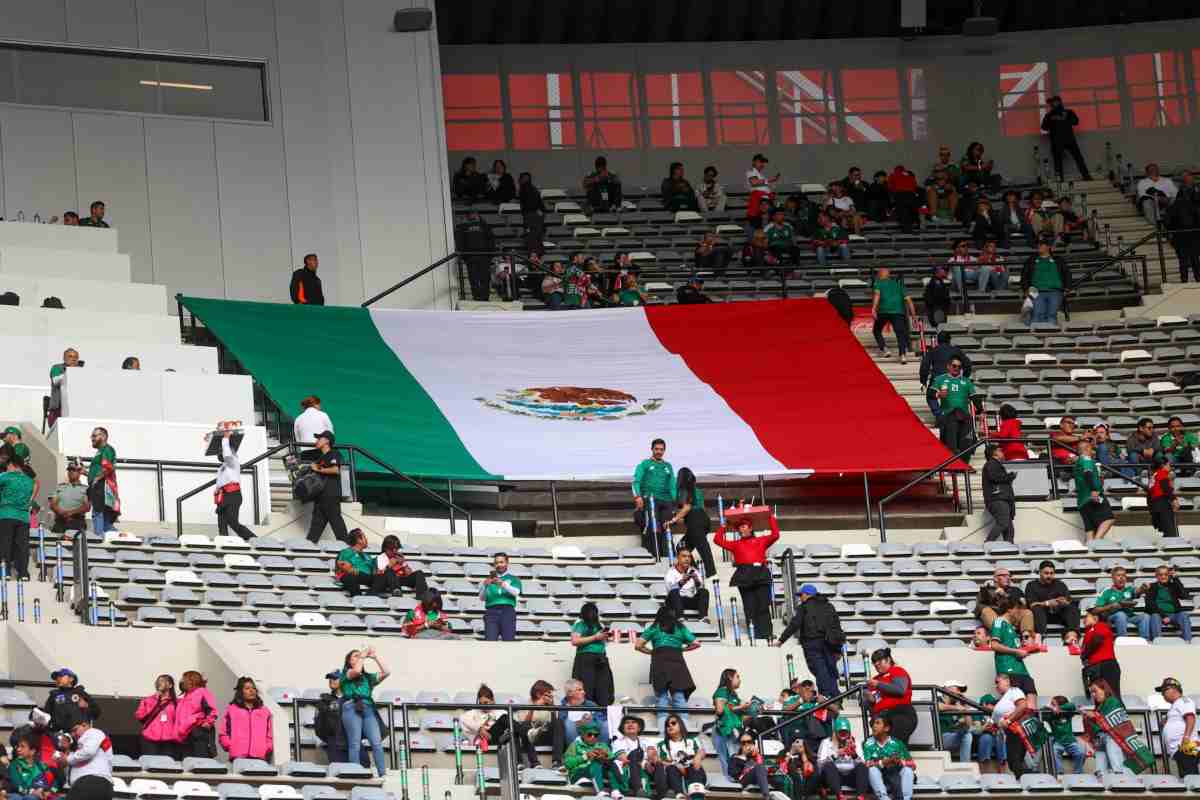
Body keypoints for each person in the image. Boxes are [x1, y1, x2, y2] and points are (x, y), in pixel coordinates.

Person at [713, 509, 780, 641]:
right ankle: (753, 633)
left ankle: (767, 633)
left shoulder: (761, 540)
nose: (741, 529)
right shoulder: (735, 544)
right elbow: (717, 540)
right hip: (744, 574)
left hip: (761, 573)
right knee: (749, 606)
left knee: (763, 605)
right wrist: (724, 526)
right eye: (739, 527)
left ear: (750, 528)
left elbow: (775, 535)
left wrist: (770, 518)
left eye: (744, 526)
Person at [774, 584, 844, 701]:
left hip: (812, 643)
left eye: (801, 595)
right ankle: (836, 697)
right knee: (830, 670)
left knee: (820, 670)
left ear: (807, 595)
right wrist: (838, 648)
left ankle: (826, 697)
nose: (800, 598)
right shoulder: (829, 606)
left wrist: (781, 640)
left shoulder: (804, 607)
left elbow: (795, 624)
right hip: (830, 643)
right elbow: (836, 627)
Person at [635, 606, 699, 730]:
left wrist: (651, 652)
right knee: (679, 697)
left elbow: (638, 645)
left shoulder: (654, 627)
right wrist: (682, 649)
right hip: (677, 663)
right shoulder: (680, 627)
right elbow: (696, 643)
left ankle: (661, 731)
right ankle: (684, 731)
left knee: (662, 698)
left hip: (659, 663)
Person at [1083, 678, 1154, 775]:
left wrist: (1094, 716)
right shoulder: (1099, 707)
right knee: (1100, 771)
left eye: (1095, 691)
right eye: (1091, 692)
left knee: (1117, 767)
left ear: (1104, 689)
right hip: (1100, 740)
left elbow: (1115, 725)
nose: (1093, 695)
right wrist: (1089, 719)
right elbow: (1098, 726)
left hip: (1113, 738)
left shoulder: (1113, 701)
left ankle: (1121, 777)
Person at [338, 647, 390, 776]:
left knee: (376, 742)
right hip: (351, 707)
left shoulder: (367, 677)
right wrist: (363, 655)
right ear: (349, 661)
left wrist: (375, 657)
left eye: (359, 655)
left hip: (368, 708)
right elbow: (356, 671)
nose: (359, 656)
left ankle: (382, 774)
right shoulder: (346, 673)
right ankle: (356, 773)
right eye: (355, 656)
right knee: (355, 743)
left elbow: (387, 672)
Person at [989, 595, 1039, 714]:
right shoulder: (999, 622)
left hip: (1021, 669)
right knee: (1015, 706)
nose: (1020, 613)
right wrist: (1016, 651)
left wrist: (1029, 649)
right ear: (1010, 609)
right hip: (1008, 669)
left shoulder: (1012, 627)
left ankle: (1031, 724)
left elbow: (1015, 649)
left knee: (1031, 705)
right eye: (1018, 610)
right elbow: (994, 645)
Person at [991, 673, 1041, 778]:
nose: (996, 686)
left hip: (1017, 730)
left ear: (1007, 681)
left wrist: (1008, 721)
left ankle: (1032, 779)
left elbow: (1022, 706)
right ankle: (1028, 779)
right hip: (1010, 732)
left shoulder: (1014, 691)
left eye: (997, 682)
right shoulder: (1004, 697)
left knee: (1014, 761)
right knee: (1013, 761)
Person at [632, 439, 676, 557]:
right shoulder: (645, 464)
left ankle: (667, 557)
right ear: (652, 449)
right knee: (653, 527)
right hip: (650, 499)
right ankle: (653, 556)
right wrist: (637, 497)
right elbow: (636, 481)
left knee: (667, 527)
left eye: (661, 449)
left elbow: (673, 485)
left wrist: (675, 502)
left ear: (664, 451)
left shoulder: (668, 466)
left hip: (666, 501)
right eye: (656, 449)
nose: (659, 452)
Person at [866, 649, 917, 746]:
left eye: (879, 661)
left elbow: (900, 689)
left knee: (892, 745)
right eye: (874, 662)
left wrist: (878, 684)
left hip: (900, 713)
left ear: (888, 659)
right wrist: (869, 700)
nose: (876, 664)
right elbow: (870, 703)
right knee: (870, 745)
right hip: (880, 717)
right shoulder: (875, 679)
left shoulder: (897, 671)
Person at [305, 431, 348, 544]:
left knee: (338, 526)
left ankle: (347, 549)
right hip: (319, 497)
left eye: (319, 439)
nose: (317, 441)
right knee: (314, 530)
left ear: (327, 441)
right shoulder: (320, 458)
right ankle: (308, 548)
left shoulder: (334, 453)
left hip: (330, 495)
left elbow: (336, 470)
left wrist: (318, 469)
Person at [564, 719, 626, 797]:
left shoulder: (602, 746)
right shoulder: (575, 745)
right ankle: (600, 791)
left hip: (599, 774)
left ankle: (615, 791)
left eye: (596, 735)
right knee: (595, 763)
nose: (593, 737)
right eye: (589, 734)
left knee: (610, 764)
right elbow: (567, 764)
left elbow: (612, 759)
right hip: (579, 774)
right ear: (583, 735)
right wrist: (585, 756)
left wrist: (605, 756)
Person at [571, 602, 615, 709]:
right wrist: (595, 637)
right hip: (585, 658)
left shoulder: (598, 625)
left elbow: (601, 640)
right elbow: (575, 641)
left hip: (601, 658)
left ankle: (602, 712)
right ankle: (587, 711)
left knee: (603, 688)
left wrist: (605, 637)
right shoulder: (580, 624)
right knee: (587, 688)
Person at [1024, 561, 1080, 645]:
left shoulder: (1060, 584)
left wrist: (1063, 602)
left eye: (1051, 573)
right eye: (1046, 573)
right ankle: (1039, 637)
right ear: (1040, 572)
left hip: (1058, 614)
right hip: (1040, 616)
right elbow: (1032, 605)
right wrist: (1047, 603)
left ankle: (1072, 637)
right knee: (1037, 609)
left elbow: (1068, 601)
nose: (1049, 576)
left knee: (1072, 608)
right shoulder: (1031, 585)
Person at [652, 714, 706, 800]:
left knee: (694, 767)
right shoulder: (662, 745)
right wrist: (677, 765)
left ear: (680, 725)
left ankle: (697, 796)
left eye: (673, 723)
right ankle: (680, 795)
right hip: (674, 771)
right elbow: (661, 761)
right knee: (671, 769)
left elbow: (702, 752)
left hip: (693, 769)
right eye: (667, 725)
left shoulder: (692, 740)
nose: (670, 726)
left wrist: (698, 757)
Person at [211, 430, 253, 541]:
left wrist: (225, 439)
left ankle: (253, 539)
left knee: (232, 521)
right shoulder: (222, 468)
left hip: (233, 494)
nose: (219, 453)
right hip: (222, 497)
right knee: (222, 523)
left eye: (221, 451)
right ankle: (224, 543)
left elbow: (227, 455)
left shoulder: (233, 462)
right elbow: (220, 482)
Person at [0, 447, 35, 580]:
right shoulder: (29, 481)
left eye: (7, 465)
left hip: (6, 514)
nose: (6, 468)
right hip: (23, 517)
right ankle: (23, 573)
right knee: (22, 546)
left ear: (13, 464)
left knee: (5, 543)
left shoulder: (5, 476)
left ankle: (5, 571)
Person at [57, 717, 112, 800]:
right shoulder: (79, 751)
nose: (73, 734)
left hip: (91, 783)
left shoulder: (93, 732)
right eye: (71, 732)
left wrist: (67, 759)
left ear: (85, 725)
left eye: (75, 730)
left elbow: (88, 751)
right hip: (93, 784)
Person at [813, 716, 868, 799]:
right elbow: (820, 766)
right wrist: (835, 755)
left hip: (850, 777)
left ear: (849, 732)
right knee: (828, 765)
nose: (843, 734)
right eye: (840, 732)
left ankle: (860, 797)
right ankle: (840, 796)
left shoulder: (856, 742)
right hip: (832, 778)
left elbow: (864, 764)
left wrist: (854, 755)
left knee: (862, 766)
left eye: (845, 732)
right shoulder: (826, 742)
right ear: (835, 732)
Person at [711, 668, 753, 777]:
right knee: (727, 760)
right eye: (737, 677)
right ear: (730, 677)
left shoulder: (734, 695)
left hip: (735, 730)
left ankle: (736, 779)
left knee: (735, 759)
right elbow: (720, 710)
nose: (740, 680)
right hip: (723, 731)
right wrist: (741, 707)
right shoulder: (722, 691)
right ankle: (730, 781)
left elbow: (739, 717)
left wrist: (754, 710)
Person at [919, 331, 972, 417]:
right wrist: (964, 377)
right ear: (949, 340)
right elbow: (967, 365)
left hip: (937, 379)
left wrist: (923, 381)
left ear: (937, 341)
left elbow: (924, 366)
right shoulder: (956, 350)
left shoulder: (932, 351)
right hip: (954, 379)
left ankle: (939, 414)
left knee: (931, 396)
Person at [218, 677, 272, 761]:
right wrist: (230, 745)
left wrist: (266, 747)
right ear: (240, 691)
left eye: (253, 688)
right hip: (238, 756)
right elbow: (223, 732)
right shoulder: (232, 710)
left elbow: (269, 733)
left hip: (259, 757)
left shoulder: (264, 711)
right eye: (247, 688)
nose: (251, 690)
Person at [870, 266, 916, 364]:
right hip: (898, 312)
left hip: (883, 311)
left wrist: (873, 308)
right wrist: (914, 316)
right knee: (900, 334)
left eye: (879, 273)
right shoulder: (898, 284)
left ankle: (885, 349)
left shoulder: (878, 283)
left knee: (876, 330)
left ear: (881, 274)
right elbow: (909, 301)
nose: (878, 275)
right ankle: (902, 355)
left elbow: (877, 295)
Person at [1156, 677, 1200, 777]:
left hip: (1186, 746)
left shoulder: (1184, 701)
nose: (1162, 694)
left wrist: (1186, 737)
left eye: (1164, 690)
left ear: (1174, 689)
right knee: (1186, 776)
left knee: (1191, 776)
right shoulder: (1175, 705)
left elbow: (1190, 717)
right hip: (1179, 748)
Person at [1021, 237, 1070, 326]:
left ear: (1048, 247)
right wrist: (1026, 289)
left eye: (1041, 245)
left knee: (1051, 315)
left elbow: (1067, 273)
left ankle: (1050, 333)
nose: (1038, 246)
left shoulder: (1058, 260)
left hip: (1055, 291)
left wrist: (1067, 288)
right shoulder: (1031, 260)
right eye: (1038, 245)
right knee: (1037, 315)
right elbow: (1024, 275)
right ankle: (1036, 334)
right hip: (1036, 291)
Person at [863, 716, 915, 800]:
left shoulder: (897, 743)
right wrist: (884, 762)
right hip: (878, 780)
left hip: (895, 777)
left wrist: (900, 762)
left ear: (886, 728)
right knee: (872, 770)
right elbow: (866, 765)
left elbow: (913, 765)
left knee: (908, 770)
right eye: (872, 724)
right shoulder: (868, 743)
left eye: (877, 723)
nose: (873, 726)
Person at [931, 357, 976, 454]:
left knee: (965, 445)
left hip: (964, 416)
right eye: (954, 366)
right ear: (948, 366)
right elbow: (930, 394)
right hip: (948, 415)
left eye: (959, 367)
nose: (957, 368)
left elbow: (974, 397)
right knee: (951, 445)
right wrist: (938, 394)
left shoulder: (966, 381)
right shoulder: (940, 379)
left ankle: (963, 459)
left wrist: (979, 409)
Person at [1040, 97, 1091, 181]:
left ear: (1059, 102)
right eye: (1051, 103)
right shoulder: (1049, 115)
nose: (1052, 104)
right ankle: (1060, 180)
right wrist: (1053, 123)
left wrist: (1064, 121)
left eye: (1054, 102)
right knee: (1058, 161)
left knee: (1078, 158)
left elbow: (1076, 121)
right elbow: (1044, 127)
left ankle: (1086, 176)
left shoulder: (1068, 112)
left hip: (1068, 139)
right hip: (1057, 141)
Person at [728, 734, 793, 800]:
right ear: (740, 745)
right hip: (745, 780)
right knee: (759, 767)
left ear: (753, 743)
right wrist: (745, 758)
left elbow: (766, 769)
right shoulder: (735, 758)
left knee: (781, 779)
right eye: (743, 743)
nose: (746, 744)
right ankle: (767, 797)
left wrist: (756, 756)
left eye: (749, 742)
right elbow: (732, 773)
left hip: (761, 777)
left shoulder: (756, 755)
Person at [1074, 438, 1115, 540]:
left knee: (1090, 528)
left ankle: (1090, 546)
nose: (1093, 451)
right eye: (1091, 448)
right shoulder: (1086, 459)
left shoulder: (1077, 463)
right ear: (1087, 448)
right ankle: (1096, 542)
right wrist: (1093, 490)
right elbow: (1088, 473)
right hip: (1093, 496)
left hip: (1082, 501)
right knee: (1108, 519)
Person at [1094, 565, 1149, 639]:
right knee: (1121, 615)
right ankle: (1123, 640)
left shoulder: (1129, 589)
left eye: (1123, 575)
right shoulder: (1106, 591)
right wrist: (1111, 606)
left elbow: (1138, 591)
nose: (1122, 578)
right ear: (1113, 578)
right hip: (1111, 616)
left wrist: (1143, 588)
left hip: (1129, 616)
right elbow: (1096, 609)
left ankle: (1145, 641)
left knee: (1145, 616)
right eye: (1118, 575)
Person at [315, 670, 357, 766]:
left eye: (335, 678)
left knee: (361, 769)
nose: (331, 680)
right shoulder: (324, 701)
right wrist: (330, 739)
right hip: (335, 744)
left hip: (353, 743)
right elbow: (318, 727)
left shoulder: (353, 699)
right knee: (339, 771)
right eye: (330, 678)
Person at [1079, 607, 1121, 699]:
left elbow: (1097, 640)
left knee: (1113, 697)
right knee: (1099, 698)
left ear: (1095, 618)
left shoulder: (1100, 625)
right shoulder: (1090, 631)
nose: (1083, 620)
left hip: (1105, 666)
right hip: (1096, 667)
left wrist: (1085, 655)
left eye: (1086, 617)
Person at [1165, 172, 1200, 283]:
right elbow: (1168, 222)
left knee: (1189, 260)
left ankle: (1187, 281)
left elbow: (1168, 222)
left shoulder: (1177, 205)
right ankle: (1191, 280)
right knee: (1191, 260)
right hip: (1186, 235)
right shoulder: (1182, 205)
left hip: (1187, 235)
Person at [1144, 564, 1192, 642]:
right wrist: (1163, 616)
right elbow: (1150, 604)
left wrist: (1176, 579)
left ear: (1169, 575)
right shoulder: (1151, 587)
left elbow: (1184, 595)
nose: (1163, 577)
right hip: (1159, 614)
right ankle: (1157, 641)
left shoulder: (1173, 586)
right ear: (1156, 576)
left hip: (1174, 614)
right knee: (1155, 616)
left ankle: (1187, 641)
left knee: (1184, 615)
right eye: (1160, 575)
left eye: (1166, 574)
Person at [455, 210, 496, 302]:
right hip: (473, 256)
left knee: (483, 278)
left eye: (474, 213)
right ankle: (478, 297)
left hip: (481, 256)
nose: (473, 215)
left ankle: (483, 297)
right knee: (475, 278)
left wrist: (490, 254)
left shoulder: (484, 226)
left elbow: (491, 240)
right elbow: (460, 242)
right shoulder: (463, 227)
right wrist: (464, 256)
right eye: (472, 214)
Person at [480, 551, 522, 641]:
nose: (499, 565)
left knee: (508, 641)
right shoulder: (488, 580)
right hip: (491, 612)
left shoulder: (513, 578)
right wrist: (485, 586)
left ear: (507, 563)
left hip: (507, 611)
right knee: (490, 641)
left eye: (501, 562)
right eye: (496, 563)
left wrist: (503, 584)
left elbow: (516, 592)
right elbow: (482, 598)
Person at [175, 671, 218, 758]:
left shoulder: (202, 691)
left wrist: (208, 722)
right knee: (187, 762)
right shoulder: (185, 697)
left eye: (184, 679)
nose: (181, 681)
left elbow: (211, 708)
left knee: (200, 761)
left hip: (198, 731)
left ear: (191, 680)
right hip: (185, 735)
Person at [8, 727, 60, 800]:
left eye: (22, 746)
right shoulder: (14, 765)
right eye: (17, 746)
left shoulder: (42, 766)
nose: (18, 749)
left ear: (33, 750)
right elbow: (17, 786)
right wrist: (32, 792)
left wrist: (50, 792)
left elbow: (56, 785)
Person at [135, 675, 178, 758]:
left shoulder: (177, 703)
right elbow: (139, 716)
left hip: (169, 741)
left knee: (167, 764)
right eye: (158, 681)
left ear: (170, 685)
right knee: (151, 763)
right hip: (149, 738)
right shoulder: (148, 700)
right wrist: (156, 701)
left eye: (163, 681)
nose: (159, 683)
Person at [1042, 696, 1086, 775]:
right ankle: (1059, 773)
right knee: (1054, 752)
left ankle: (1078, 773)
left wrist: (1059, 708)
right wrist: (1051, 707)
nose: (1051, 705)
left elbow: (1072, 705)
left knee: (1080, 753)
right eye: (1051, 703)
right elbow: (1042, 710)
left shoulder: (1067, 713)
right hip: (1058, 742)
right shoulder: (1050, 715)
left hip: (1070, 741)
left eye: (1053, 704)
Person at [981, 445, 1016, 543]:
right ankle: (988, 543)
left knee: (1009, 529)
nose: (1002, 452)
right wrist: (1009, 476)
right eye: (1000, 450)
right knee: (1003, 523)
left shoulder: (994, 464)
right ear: (994, 453)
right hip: (998, 499)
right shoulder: (991, 464)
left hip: (1001, 499)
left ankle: (1009, 548)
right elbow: (994, 477)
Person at [664, 550, 709, 621]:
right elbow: (670, 590)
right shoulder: (671, 572)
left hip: (689, 600)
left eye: (689, 557)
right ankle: (680, 617)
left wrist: (696, 581)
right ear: (678, 558)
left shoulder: (694, 571)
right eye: (684, 556)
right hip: (675, 601)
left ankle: (703, 617)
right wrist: (682, 582)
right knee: (674, 591)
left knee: (704, 591)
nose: (687, 559)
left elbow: (700, 588)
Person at [936, 681, 974, 764]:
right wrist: (955, 707)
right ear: (947, 689)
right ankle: (965, 766)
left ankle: (965, 766)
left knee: (968, 735)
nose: (959, 692)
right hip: (939, 739)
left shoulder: (958, 704)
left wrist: (966, 707)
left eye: (961, 691)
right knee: (967, 735)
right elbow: (938, 706)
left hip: (953, 737)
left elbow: (969, 725)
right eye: (958, 689)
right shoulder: (937, 698)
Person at [610, 715, 648, 796]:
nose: (630, 724)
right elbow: (621, 756)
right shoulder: (618, 742)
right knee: (633, 755)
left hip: (643, 769)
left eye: (633, 722)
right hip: (626, 771)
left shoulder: (645, 742)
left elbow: (651, 756)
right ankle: (637, 788)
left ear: (639, 728)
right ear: (623, 728)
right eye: (627, 723)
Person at [974, 690, 1007, 774]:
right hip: (982, 737)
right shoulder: (978, 713)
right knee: (986, 738)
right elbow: (977, 730)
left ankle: (1002, 766)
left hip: (996, 737)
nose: (995, 706)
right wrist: (985, 726)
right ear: (984, 704)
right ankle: (985, 769)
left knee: (1000, 736)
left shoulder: (997, 713)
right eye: (992, 704)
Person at [1135, 163, 1177, 227]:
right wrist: (1157, 198)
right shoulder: (1142, 182)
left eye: (1155, 169)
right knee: (1146, 202)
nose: (1153, 171)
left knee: (1176, 200)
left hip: (1167, 200)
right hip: (1152, 202)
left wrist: (1167, 199)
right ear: (1147, 172)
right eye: (1151, 169)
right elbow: (1142, 195)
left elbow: (1175, 193)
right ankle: (1155, 226)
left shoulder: (1167, 180)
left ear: (1158, 170)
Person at [458, 684, 499, 752]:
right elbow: (462, 718)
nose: (483, 706)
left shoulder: (501, 712)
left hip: (496, 739)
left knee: (504, 719)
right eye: (480, 703)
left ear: (492, 700)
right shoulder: (475, 712)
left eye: (486, 703)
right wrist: (479, 728)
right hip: (481, 741)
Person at [47, 348, 81, 428]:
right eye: (70, 356)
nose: (73, 359)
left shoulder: (81, 371)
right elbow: (55, 381)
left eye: (76, 357)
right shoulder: (57, 368)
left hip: (77, 409)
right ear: (64, 358)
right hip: (58, 409)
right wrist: (68, 372)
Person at [1149, 456, 1181, 539]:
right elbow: (1166, 489)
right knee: (1171, 534)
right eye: (1169, 464)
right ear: (1163, 465)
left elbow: (1149, 494)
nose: (1170, 466)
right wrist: (1174, 501)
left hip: (1155, 506)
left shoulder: (1154, 475)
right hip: (1163, 505)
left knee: (1167, 533)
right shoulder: (1161, 474)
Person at [518, 172, 545, 255]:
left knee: (532, 237)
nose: (525, 180)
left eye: (526, 178)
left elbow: (533, 204)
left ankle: (534, 255)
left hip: (532, 216)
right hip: (533, 216)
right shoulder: (531, 188)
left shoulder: (528, 189)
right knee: (535, 237)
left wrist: (539, 211)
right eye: (524, 178)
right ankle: (536, 254)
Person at [745, 154, 778, 220]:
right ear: (754, 162)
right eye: (760, 162)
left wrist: (771, 184)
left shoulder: (761, 175)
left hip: (765, 200)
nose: (762, 164)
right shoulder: (751, 171)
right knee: (756, 219)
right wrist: (769, 180)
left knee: (768, 219)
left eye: (763, 162)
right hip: (758, 199)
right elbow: (754, 182)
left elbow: (761, 184)